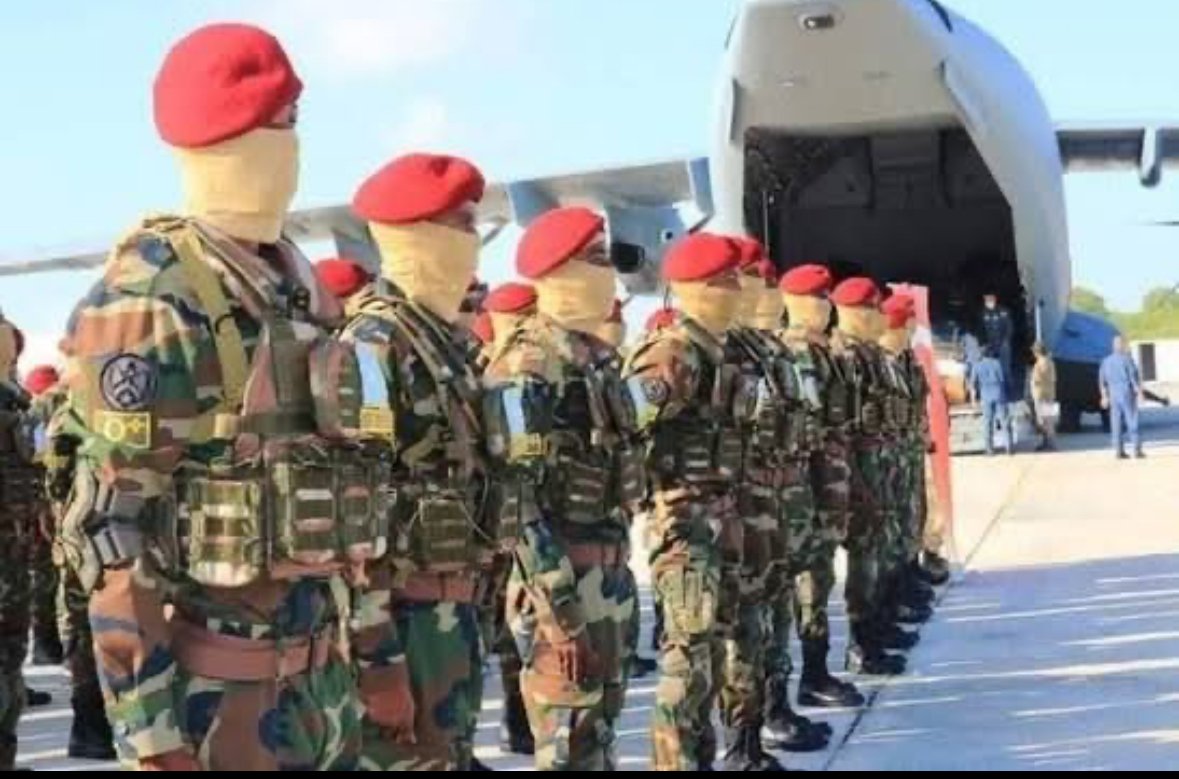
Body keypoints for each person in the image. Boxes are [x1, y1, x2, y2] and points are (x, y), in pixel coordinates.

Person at [59, 24, 389, 770]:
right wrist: (151, 739)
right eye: (282, 124)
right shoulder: (152, 298)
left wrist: (376, 652)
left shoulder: (298, 290)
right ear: (230, 138)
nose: (292, 148)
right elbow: (111, 531)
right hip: (218, 707)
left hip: (324, 690)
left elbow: (356, 494)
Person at [344, 153, 493, 772]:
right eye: (463, 225)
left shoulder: (443, 346)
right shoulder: (374, 346)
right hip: (403, 622)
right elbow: (352, 521)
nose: (473, 242)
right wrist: (377, 659)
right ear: (419, 235)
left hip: (448, 610)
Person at [485, 207, 639, 771]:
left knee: (598, 738)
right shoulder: (527, 366)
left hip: (609, 577)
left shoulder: (597, 360)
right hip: (564, 589)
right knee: (567, 744)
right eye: (595, 259)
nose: (609, 272)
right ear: (558, 270)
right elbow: (516, 504)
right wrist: (561, 614)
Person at [623, 234, 759, 771]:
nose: (736, 291)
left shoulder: (719, 351)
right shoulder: (672, 354)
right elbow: (627, 429)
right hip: (684, 527)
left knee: (713, 655)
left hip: (720, 519)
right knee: (686, 660)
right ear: (695, 290)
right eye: (724, 283)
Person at [773, 266, 866, 713]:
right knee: (806, 582)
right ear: (795, 303)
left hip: (824, 485)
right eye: (818, 298)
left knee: (820, 577)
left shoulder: (821, 353)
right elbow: (806, 429)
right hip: (802, 490)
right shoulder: (795, 354)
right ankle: (807, 677)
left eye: (827, 298)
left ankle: (816, 670)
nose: (826, 307)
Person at [830, 279, 907, 677]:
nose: (881, 318)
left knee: (876, 552)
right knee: (863, 558)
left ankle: (875, 630)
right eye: (873, 310)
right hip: (858, 473)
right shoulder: (844, 358)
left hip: (879, 468)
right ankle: (861, 644)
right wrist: (855, 482)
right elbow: (841, 428)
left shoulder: (870, 356)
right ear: (856, 313)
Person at [1100, 335, 1145, 460]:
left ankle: (1119, 451)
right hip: (1126, 392)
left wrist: (1104, 397)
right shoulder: (1127, 360)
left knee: (1116, 422)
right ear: (1122, 345)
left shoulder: (1106, 361)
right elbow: (1133, 378)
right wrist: (1140, 393)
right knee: (1132, 420)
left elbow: (1102, 381)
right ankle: (1137, 449)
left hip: (1113, 394)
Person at [973, 345, 1013, 456]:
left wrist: (974, 400)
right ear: (990, 353)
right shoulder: (997, 363)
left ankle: (989, 449)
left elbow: (973, 383)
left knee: (988, 422)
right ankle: (1008, 447)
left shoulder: (977, 365)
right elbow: (1002, 379)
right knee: (1004, 420)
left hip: (986, 395)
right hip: (999, 394)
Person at [980, 294, 1014, 399]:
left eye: (990, 300)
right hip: (990, 345)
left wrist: (1006, 341)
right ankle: (992, 393)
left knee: (1005, 368)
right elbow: (980, 329)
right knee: (990, 369)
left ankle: (1008, 392)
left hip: (1002, 344)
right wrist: (983, 343)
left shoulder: (1003, 311)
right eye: (987, 301)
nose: (988, 302)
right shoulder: (983, 313)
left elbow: (1009, 327)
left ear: (994, 300)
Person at [1030, 342, 1058, 452]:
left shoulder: (1039, 364)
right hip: (1050, 394)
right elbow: (1053, 379)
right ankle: (1048, 443)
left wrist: (1032, 384)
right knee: (1049, 420)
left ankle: (1049, 444)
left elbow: (1036, 380)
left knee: (1044, 421)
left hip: (1041, 395)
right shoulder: (1050, 362)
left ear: (1037, 352)